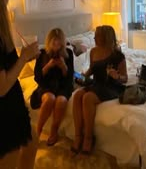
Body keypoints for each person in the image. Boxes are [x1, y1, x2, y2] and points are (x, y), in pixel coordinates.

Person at [0, 0, 39, 169]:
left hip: (13, 105)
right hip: (5, 110)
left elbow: (8, 68)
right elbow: (2, 86)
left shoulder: (4, 34)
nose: (8, 0)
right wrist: (23, 58)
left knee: (32, 142)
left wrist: (24, 57)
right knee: (9, 161)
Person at [71, 25, 128, 157]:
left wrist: (117, 76)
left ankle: (89, 138)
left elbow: (125, 78)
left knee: (87, 98)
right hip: (97, 83)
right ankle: (78, 135)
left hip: (112, 86)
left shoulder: (117, 55)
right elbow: (93, 68)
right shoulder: (93, 51)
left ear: (105, 38)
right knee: (78, 95)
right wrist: (84, 75)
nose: (95, 37)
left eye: (97, 35)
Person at [31, 28, 74, 146]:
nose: (57, 45)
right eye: (54, 42)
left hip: (63, 86)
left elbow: (70, 78)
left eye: (59, 42)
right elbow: (37, 78)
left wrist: (64, 67)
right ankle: (37, 130)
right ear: (49, 42)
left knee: (61, 100)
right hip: (46, 86)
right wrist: (47, 66)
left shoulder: (68, 53)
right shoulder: (42, 54)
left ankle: (54, 131)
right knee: (50, 98)